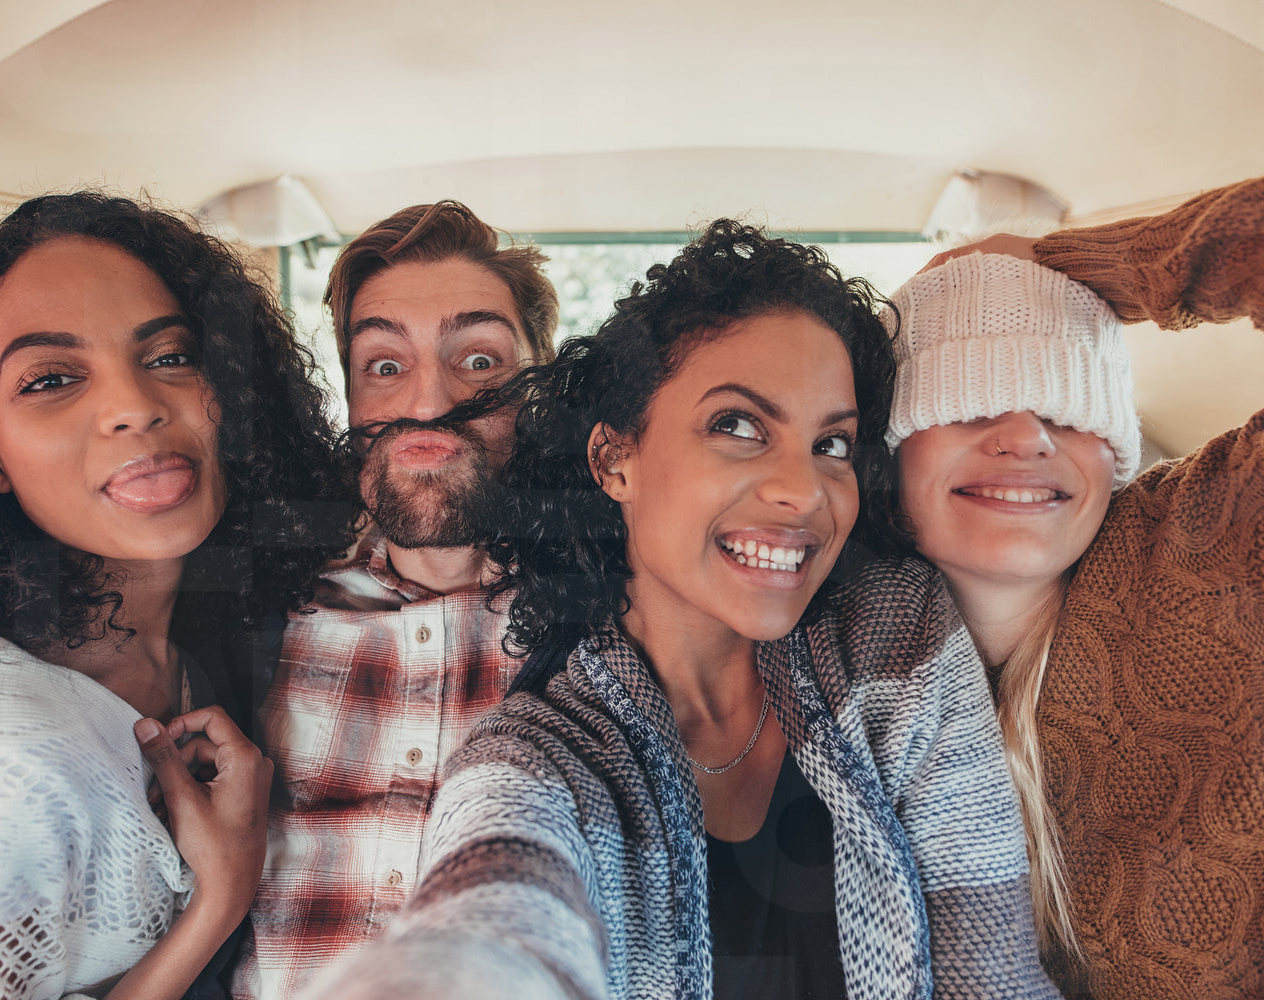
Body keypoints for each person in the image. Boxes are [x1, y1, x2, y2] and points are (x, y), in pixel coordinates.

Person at [306, 220, 1063, 1000]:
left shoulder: (895, 633)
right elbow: (499, 905)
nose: (803, 492)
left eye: (831, 445)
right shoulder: (540, 753)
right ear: (614, 460)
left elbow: (993, 966)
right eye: (736, 426)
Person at [884, 153, 1264, 998]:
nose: (1027, 436)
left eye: (1067, 406)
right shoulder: (828, 673)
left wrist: (1110, 264)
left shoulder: (1235, 542)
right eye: (970, 401)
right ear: (889, 454)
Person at [0, 192, 351, 1000]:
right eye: (50, 379)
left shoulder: (209, 629)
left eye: (170, 356)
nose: (136, 406)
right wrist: (218, 899)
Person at [231, 200, 559, 999]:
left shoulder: (612, 624)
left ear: (540, 387)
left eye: (478, 360)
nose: (428, 403)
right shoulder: (254, 603)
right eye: (384, 365)